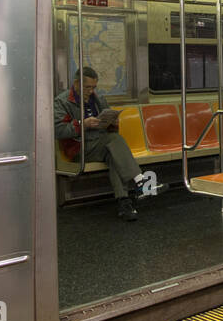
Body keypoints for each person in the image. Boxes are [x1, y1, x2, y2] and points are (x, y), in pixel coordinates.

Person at [54, 67, 153, 221]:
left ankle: (124, 202)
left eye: (94, 87)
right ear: (76, 84)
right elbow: (59, 131)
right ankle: (140, 180)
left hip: (100, 144)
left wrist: (112, 122)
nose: (91, 91)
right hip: (79, 147)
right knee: (113, 140)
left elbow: (110, 126)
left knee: (114, 155)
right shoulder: (62, 101)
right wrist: (83, 124)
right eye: (88, 87)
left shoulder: (98, 98)